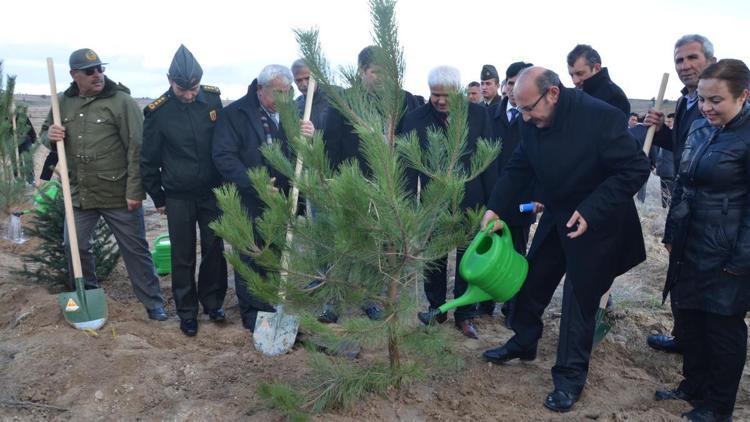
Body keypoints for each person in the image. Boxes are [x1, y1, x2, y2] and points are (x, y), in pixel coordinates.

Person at [480, 67, 649, 412]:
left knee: (579, 300)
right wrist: (495, 208)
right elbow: (518, 168)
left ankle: (570, 378)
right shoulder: (532, 120)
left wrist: (591, 209)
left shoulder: (600, 117)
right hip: (559, 213)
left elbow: (636, 169)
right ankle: (525, 340)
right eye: (521, 109)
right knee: (534, 276)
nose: (524, 117)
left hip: (597, 219)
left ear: (553, 93)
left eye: (529, 109)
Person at [654, 59, 750, 422]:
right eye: (703, 99)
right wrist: (671, 234)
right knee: (689, 316)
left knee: (722, 326)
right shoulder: (698, 127)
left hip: (728, 250)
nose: (707, 107)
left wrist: (741, 259)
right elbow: (682, 183)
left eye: (716, 100)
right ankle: (693, 385)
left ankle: (719, 405)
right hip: (690, 242)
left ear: (743, 96)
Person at [41, 48, 166, 320]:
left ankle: (154, 304)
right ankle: (89, 294)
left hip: (118, 193)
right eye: (89, 71)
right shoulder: (62, 102)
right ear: (74, 75)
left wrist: (135, 192)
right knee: (73, 245)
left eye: (100, 69)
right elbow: (45, 136)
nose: (97, 75)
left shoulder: (122, 102)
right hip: (80, 193)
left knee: (135, 251)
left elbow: (137, 149)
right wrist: (51, 135)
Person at [322, 45, 421, 321]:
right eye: (376, 72)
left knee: (378, 249)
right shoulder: (345, 102)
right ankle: (332, 301)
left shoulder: (401, 102)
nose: (383, 78)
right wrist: (333, 182)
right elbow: (330, 146)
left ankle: (372, 299)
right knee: (341, 247)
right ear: (361, 72)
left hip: (386, 189)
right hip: (351, 187)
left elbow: (409, 147)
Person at [212, 64, 314, 331]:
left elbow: (297, 154)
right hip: (248, 201)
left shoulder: (289, 114)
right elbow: (223, 156)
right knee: (250, 257)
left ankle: (272, 304)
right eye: (277, 93)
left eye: (287, 93)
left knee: (276, 254)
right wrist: (253, 182)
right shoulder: (234, 115)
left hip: (281, 200)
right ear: (260, 89)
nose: (283, 99)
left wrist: (307, 136)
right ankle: (253, 313)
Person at [402, 66, 497, 339]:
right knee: (435, 261)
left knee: (469, 259)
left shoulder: (478, 115)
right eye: (435, 95)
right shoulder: (416, 119)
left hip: (472, 201)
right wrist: (410, 207)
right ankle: (436, 309)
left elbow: (489, 161)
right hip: (434, 203)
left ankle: (465, 315)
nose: (441, 101)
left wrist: (493, 204)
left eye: (446, 95)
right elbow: (408, 167)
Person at [141, 45, 228, 337]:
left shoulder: (212, 99)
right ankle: (187, 311)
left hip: (212, 191)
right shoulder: (158, 112)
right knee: (183, 254)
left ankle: (213, 303)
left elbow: (223, 143)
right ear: (169, 80)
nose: (190, 95)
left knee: (215, 248)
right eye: (183, 90)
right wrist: (158, 197)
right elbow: (149, 159)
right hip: (178, 195)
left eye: (194, 89)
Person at [644, 34, 717, 354]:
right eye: (679, 60)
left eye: (692, 58)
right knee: (679, 271)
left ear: (710, 62)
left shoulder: (722, 103)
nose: (685, 66)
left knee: (704, 277)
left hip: (712, 207)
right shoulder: (686, 102)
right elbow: (683, 150)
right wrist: (661, 133)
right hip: (683, 202)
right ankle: (683, 337)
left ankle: (702, 344)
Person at [480, 61, 534, 323]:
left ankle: (512, 307)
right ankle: (485, 303)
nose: (513, 89)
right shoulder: (490, 116)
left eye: (518, 83)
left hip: (523, 202)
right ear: (505, 85)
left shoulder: (534, 119)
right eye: (510, 83)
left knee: (515, 252)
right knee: (489, 249)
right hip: (492, 199)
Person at [566, 44, 630, 115]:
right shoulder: (573, 95)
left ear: (597, 68)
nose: (575, 81)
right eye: (571, 75)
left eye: (580, 73)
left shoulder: (616, 97)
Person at [291, 58, 333, 131]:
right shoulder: (296, 105)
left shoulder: (335, 96)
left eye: (307, 78)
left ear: (316, 76)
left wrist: (315, 135)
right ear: (294, 81)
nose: (304, 84)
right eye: (299, 80)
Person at [654, 113, 675, 208]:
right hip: (662, 168)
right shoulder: (664, 135)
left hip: (671, 170)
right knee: (664, 193)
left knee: (670, 193)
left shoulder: (676, 137)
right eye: (666, 121)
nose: (668, 123)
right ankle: (665, 208)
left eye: (670, 122)